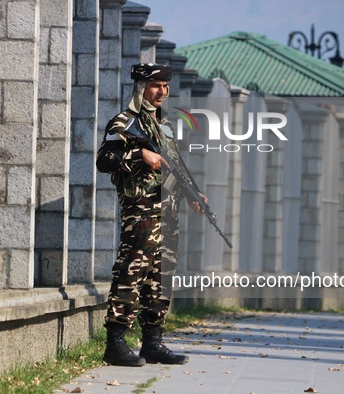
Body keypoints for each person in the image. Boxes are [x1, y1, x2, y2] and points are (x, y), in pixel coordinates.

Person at [96, 63, 206, 367]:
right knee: (132, 270)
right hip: (141, 214)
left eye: (165, 86)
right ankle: (115, 343)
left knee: (161, 274)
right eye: (156, 85)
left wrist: (193, 194)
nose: (162, 91)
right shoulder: (123, 122)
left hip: (167, 214)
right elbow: (105, 159)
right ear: (141, 87)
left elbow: (174, 166)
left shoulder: (165, 126)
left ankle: (152, 342)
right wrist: (138, 154)